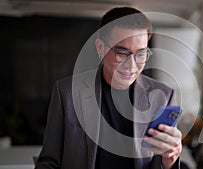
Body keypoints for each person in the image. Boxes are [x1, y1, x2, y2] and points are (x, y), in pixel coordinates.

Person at [35, 7, 182, 169]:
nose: (131, 66)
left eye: (140, 54)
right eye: (121, 53)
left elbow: (159, 163)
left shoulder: (163, 96)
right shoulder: (67, 93)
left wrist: (169, 162)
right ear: (100, 48)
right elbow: (48, 162)